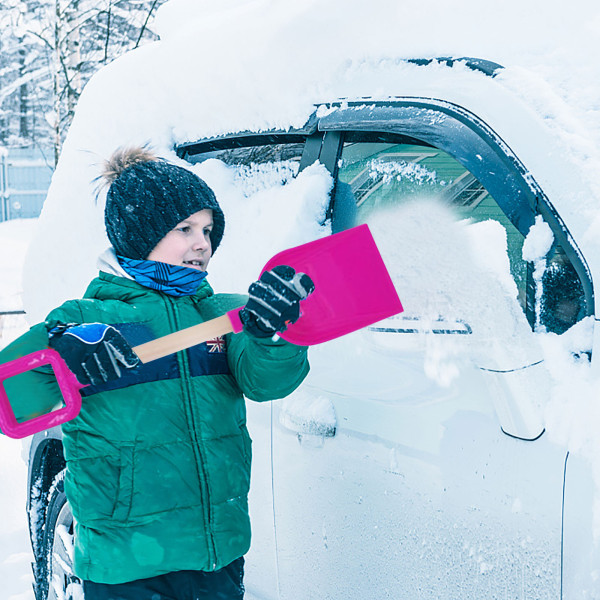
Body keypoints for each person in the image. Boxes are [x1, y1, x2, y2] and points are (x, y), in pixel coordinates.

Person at [0, 147, 314, 599]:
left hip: (216, 552)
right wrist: (58, 356)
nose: (202, 242)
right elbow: (10, 400)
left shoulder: (224, 313)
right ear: (139, 235)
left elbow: (268, 382)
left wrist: (272, 335)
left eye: (208, 229)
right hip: (127, 564)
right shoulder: (86, 319)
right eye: (184, 228)